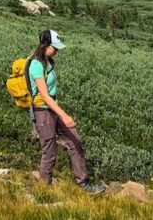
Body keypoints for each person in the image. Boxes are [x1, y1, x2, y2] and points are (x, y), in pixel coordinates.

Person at [28, 29, 105, 194]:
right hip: (43, 111)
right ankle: (44, 189)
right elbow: (45, 96)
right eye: (54, 47)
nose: (57, 51)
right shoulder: (35, 64)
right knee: (49, 150)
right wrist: (64, 115)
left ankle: (83, 183)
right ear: (45, 45)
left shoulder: (47, 62)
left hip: (53, 109)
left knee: (75, 140)